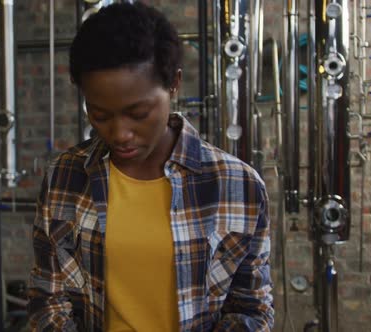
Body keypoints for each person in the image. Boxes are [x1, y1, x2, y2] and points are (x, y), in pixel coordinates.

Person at [27, 2, 274, 331]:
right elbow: (48, 299)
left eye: (139, 113)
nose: (120, 133)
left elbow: (250, 310)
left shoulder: (237, 185)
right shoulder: (64, 177)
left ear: (174, 84)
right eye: (99, 114)